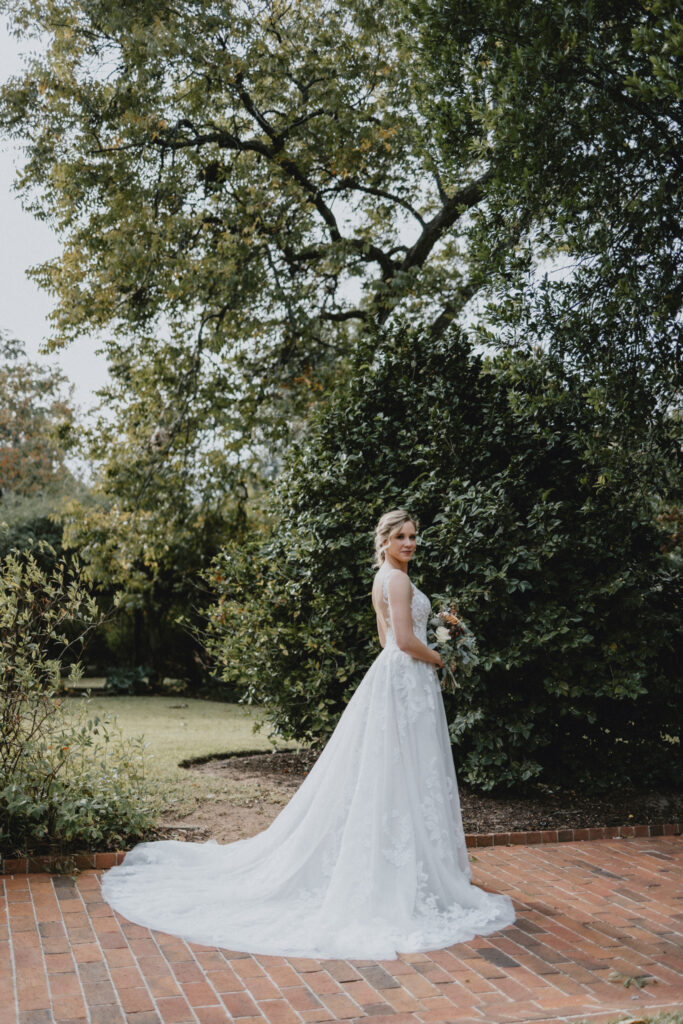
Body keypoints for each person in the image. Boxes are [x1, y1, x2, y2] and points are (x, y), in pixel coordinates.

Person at [101, 509, 515, 959]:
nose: (410, 543)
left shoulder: (383, 579)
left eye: (414, 536)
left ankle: (408, 864)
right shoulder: (396, 581)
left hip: (400, 679)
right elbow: (400, 640)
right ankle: (407, 871)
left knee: (400, 770)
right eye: (401, 536)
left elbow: (384, 643)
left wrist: (428, 655)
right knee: (406, 769)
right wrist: (441, 657)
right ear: (385, 540)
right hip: (408, 675)